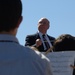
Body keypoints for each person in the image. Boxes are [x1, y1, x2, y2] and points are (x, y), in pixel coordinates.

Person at [0, 0, 53, 75]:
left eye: (45, 23)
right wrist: (36, 45)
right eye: (40, 22)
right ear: (20, 21)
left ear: (49, 26)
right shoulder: (40, 62)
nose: (42, 24)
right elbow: (28, 47)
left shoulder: (53, 40)